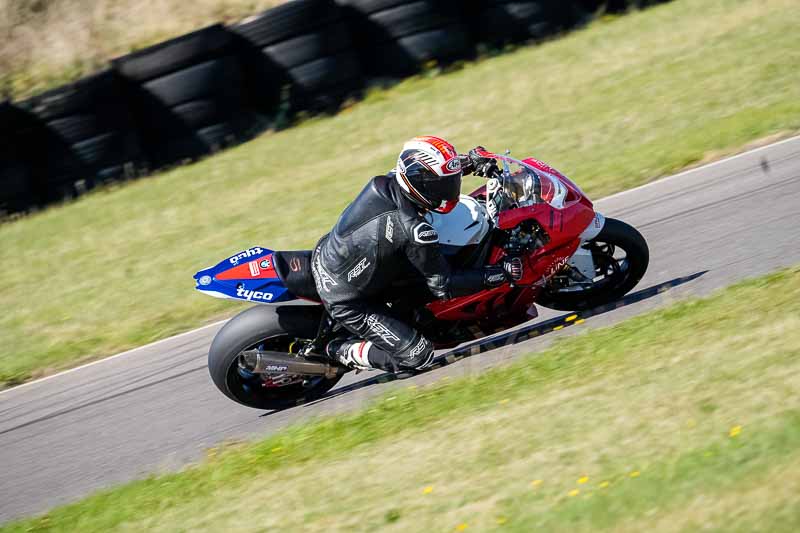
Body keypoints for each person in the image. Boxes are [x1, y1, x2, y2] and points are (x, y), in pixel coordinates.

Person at [311, 136, 522, 373]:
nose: (449, 191)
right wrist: (498, 274)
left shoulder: (392, 180)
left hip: (333, 254)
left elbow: (429, 174)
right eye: (441, 186)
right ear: (420, 184)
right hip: (348, 299)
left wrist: (469, 162)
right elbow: (444, 286)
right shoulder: (414, 231)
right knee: (417, 355)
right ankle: (338, 350)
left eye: (449, 183)